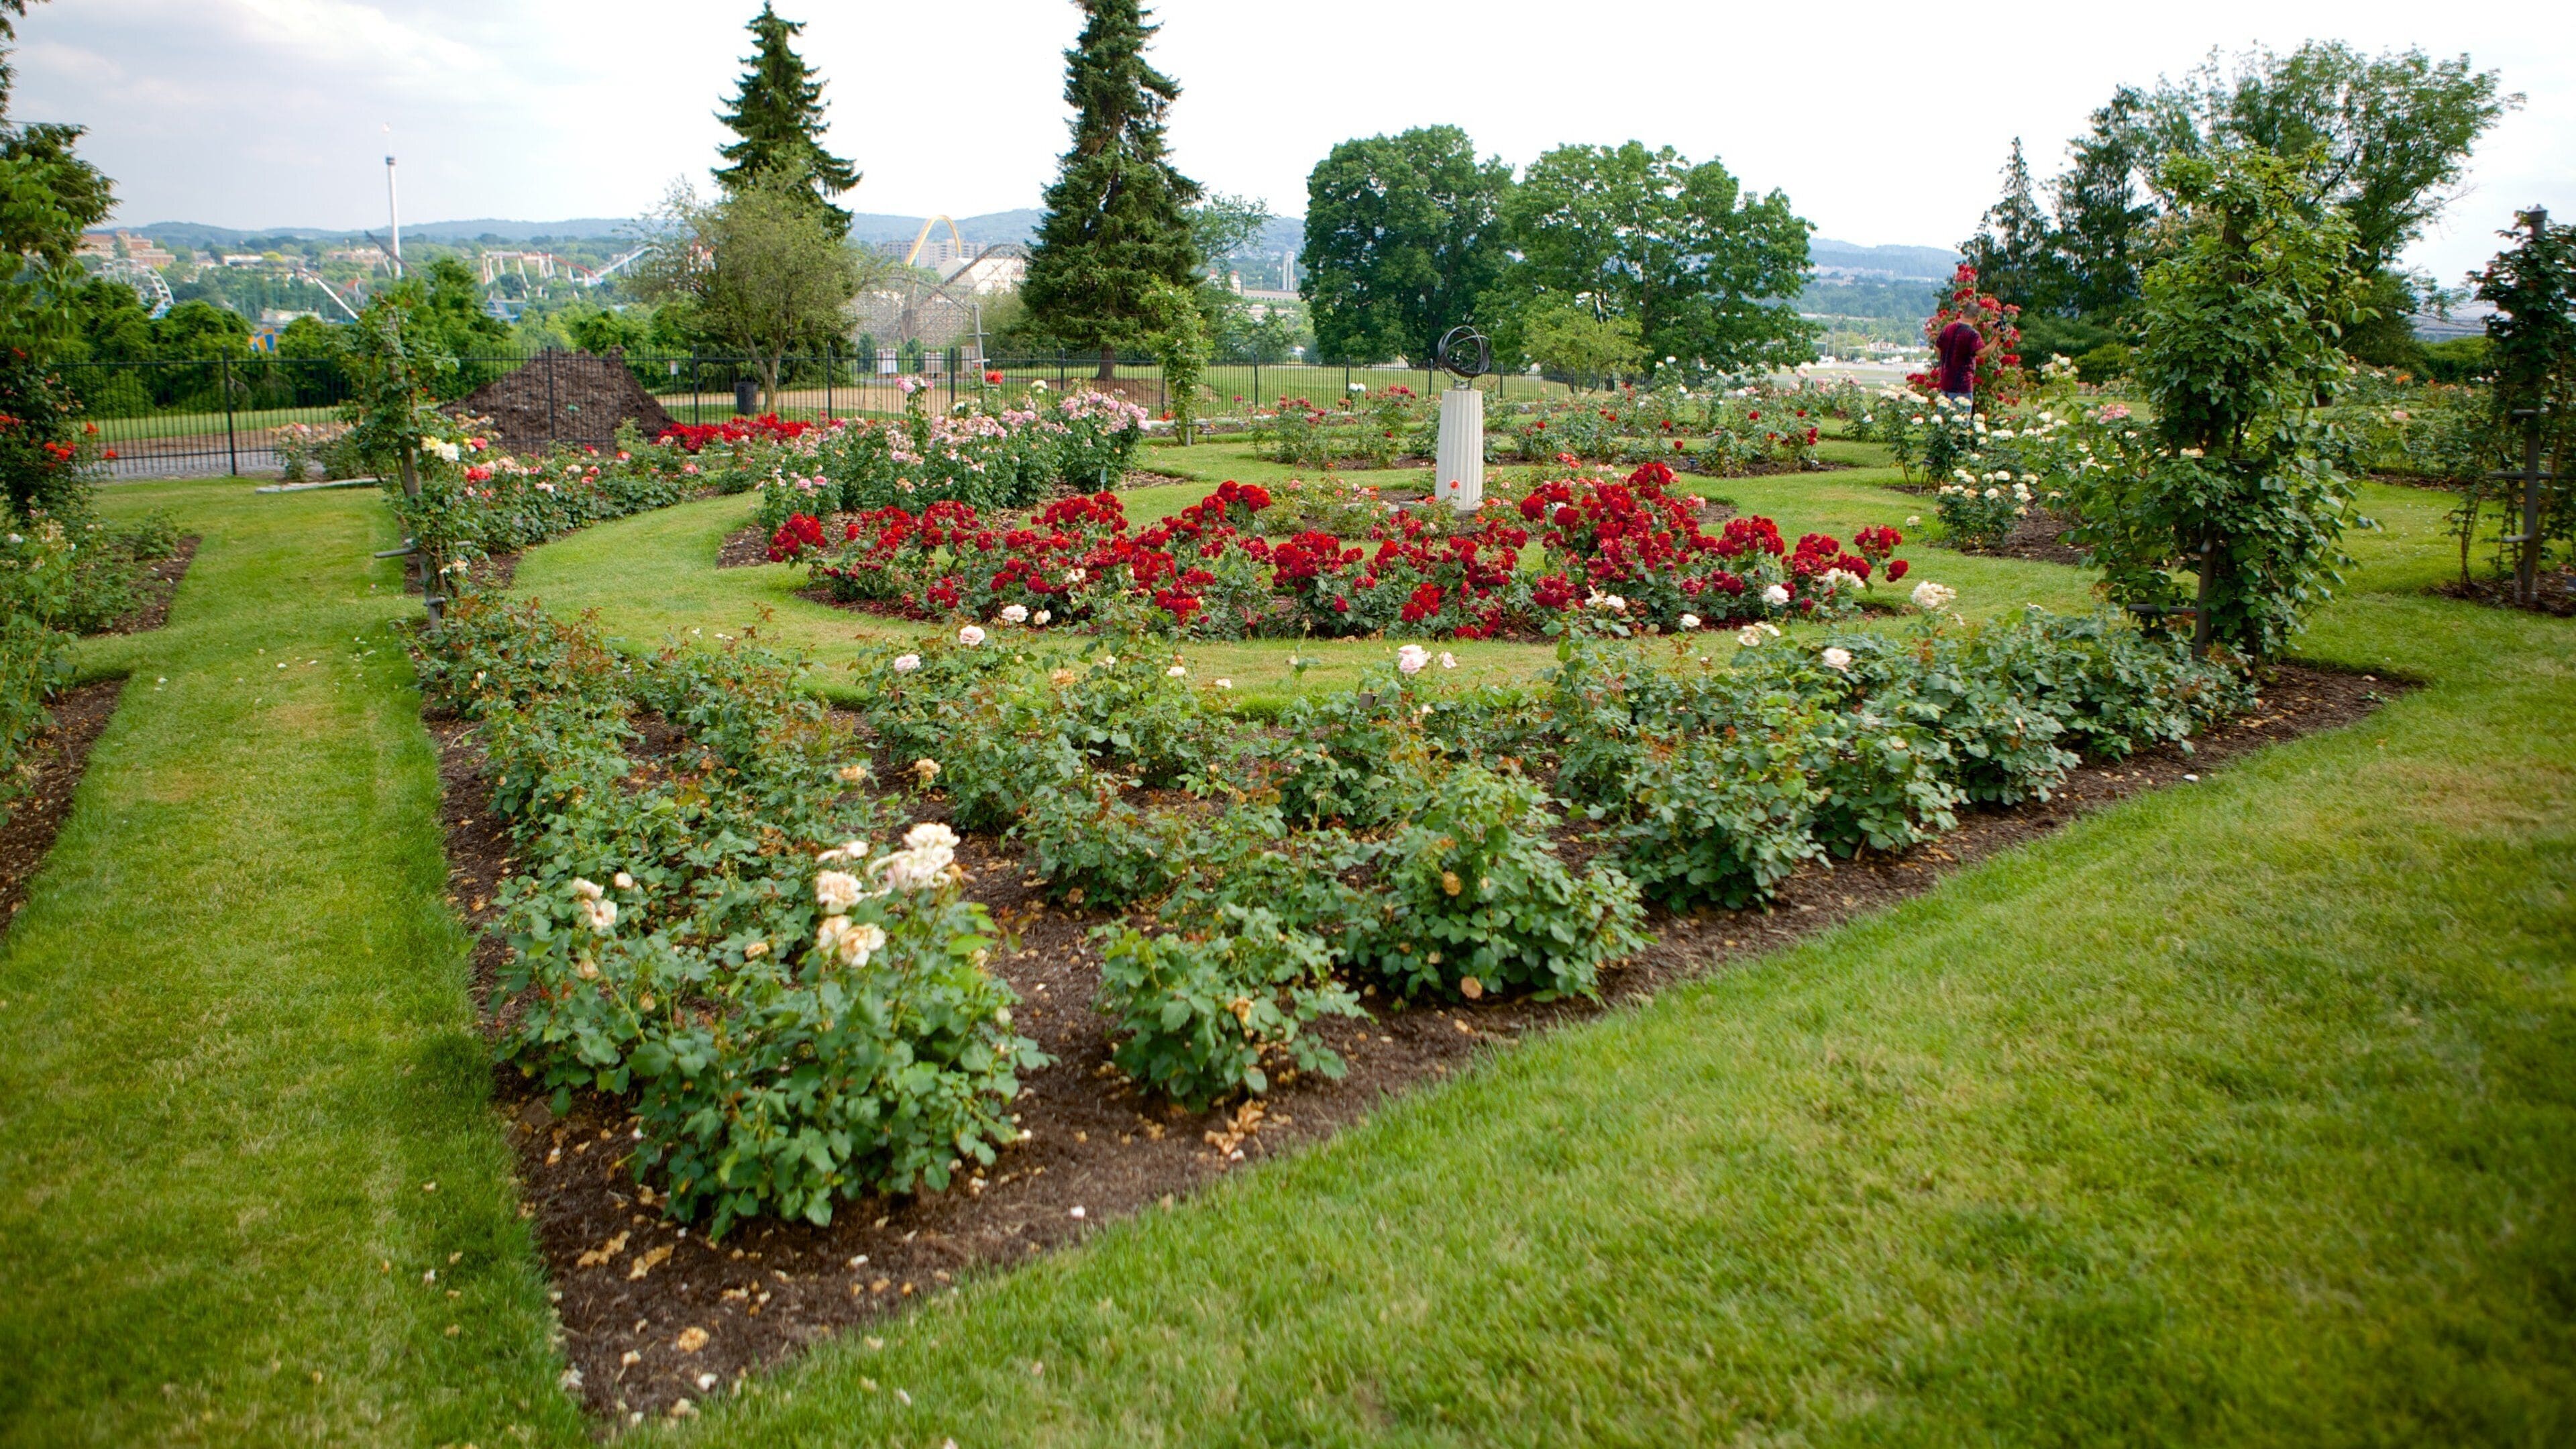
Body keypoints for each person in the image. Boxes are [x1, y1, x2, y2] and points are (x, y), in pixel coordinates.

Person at [1934, 317, 1984, 400]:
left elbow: (1937, 347)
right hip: (1962, 387)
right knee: (1961, 413)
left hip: (1945, 384)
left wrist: (1945, 362)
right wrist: (1997, 339)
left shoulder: (1948, 328)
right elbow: (1982, 353)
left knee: (1945, 412)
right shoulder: (1972, 334)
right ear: (1977, 318)